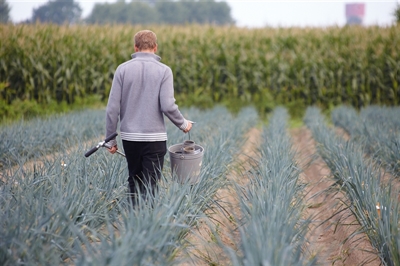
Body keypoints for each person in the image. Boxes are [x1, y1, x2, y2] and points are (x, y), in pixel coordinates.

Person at [105, 29, 192, 206]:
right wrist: (183, 124)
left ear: (135, 47)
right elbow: (167, 105)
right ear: (155, 47)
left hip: (130, 138)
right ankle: (148, 226)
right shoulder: (164, 71)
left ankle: (134, 224)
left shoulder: (122, 69)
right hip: (155, 139)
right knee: (151, 185)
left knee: (134, 181)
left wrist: (110, 141)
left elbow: (112, 108)